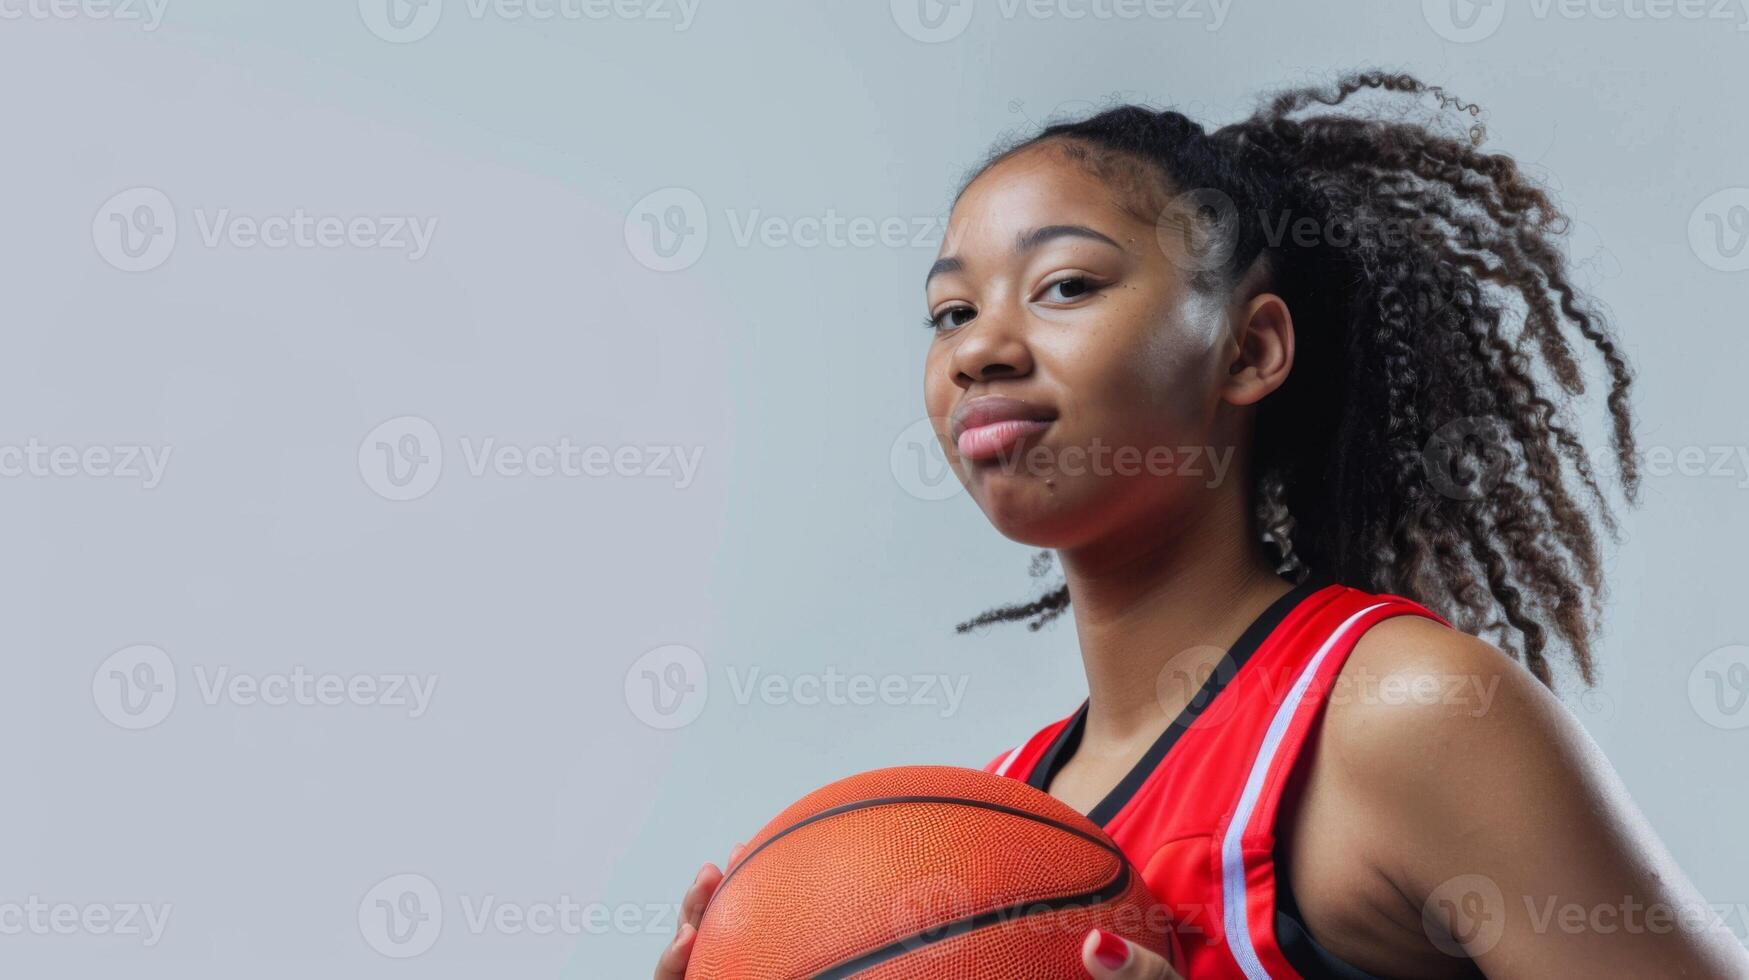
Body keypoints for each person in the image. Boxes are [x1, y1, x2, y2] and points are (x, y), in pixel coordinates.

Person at [656, 71, 1749, 979]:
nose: (980, 348)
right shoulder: (998, 817)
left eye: (1066, 284)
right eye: (952, 310)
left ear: (1250, 350)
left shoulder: (1398, 718)